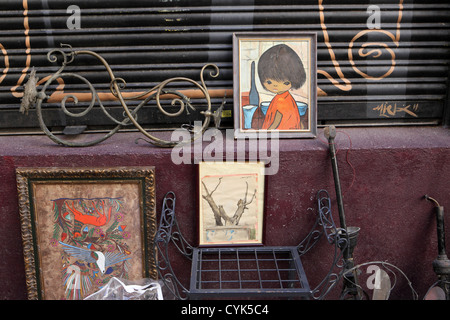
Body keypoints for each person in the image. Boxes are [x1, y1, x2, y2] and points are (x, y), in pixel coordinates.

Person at [257, 44, 306, 130]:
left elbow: (276, 122)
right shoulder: (286, 97)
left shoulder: (281, 100)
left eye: (285, 83)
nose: (275, 86)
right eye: (269, 82)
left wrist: (267, 131)